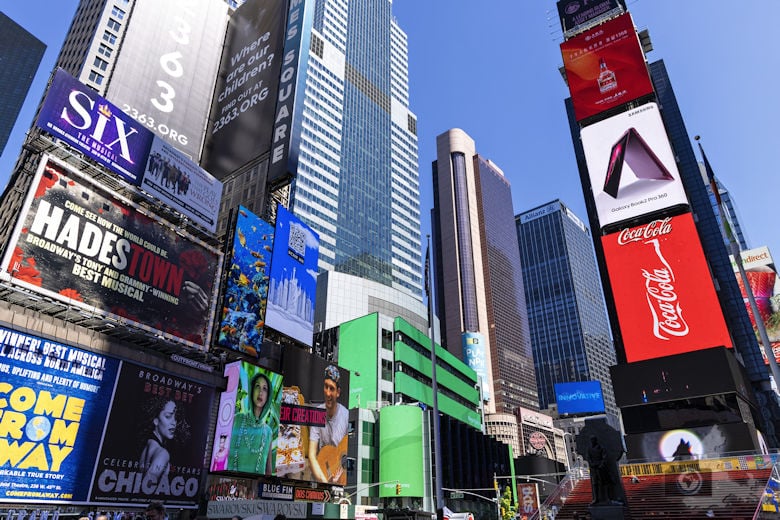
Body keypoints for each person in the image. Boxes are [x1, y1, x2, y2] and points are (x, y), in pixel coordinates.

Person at [308, 365, 349, 484]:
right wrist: (324, 482)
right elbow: (311, 455)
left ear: (338, 392)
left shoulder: (346, 416)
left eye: (332, 389)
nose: (328, 393)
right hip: (322, 471)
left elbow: (348, 451)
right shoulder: (318, 413)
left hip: (340, 476)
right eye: (326, 387)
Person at [229, 372, 274, 474]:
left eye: (265, 389)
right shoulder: (236, 419)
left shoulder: (268, 432)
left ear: (268, 396)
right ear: (252, 390)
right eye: (257, 386)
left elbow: (268, 471)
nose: (260, 392)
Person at [140, 399, 177, 488]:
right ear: (156, 421)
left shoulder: (149, 444)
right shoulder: (162, 454)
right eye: (168, 416)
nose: (174, 422)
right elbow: (147, 488)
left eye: (176, 417)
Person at [586, 435, 613, 505]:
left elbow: (604, 457)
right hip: (594, 468)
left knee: (605, 483)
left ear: (596, 440)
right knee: (595, 483)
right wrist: (591, 464)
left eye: (593, 440)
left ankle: (608, 498)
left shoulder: (601, 448)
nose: (592, 441)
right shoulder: (589, 449)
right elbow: (588, 458)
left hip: (601, 468)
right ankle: (596, 499)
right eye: (591, 440)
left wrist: (601, 465)